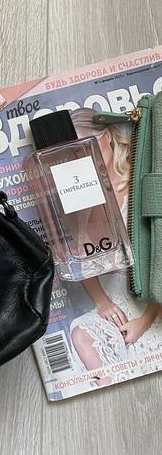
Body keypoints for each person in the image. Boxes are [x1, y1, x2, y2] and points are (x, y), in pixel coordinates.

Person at [69, 114, 162, 385]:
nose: (84, 156)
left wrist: (145, 320)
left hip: (153, 296)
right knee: (81, 334)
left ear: (108, 137)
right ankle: (105, 386)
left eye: (89, 145)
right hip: (116, 298)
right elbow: (81, 258)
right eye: (76, 152)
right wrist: (102, 302)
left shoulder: (137, 180)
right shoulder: (79, 194)